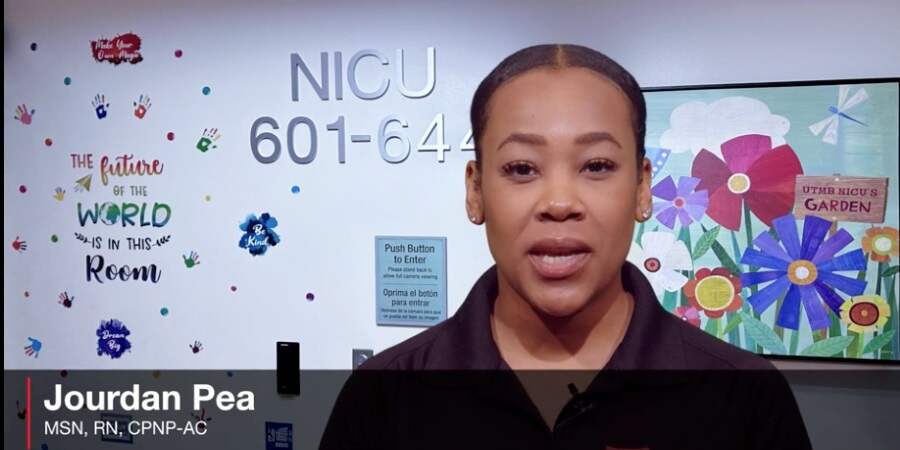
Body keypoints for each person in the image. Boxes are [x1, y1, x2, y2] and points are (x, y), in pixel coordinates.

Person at [320, 44, 812, 450]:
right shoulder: (384, 397)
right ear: (475, 191)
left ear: (643, 189)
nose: (559, 202)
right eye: (521, 168)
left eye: (596, 166)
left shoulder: (745, 398)